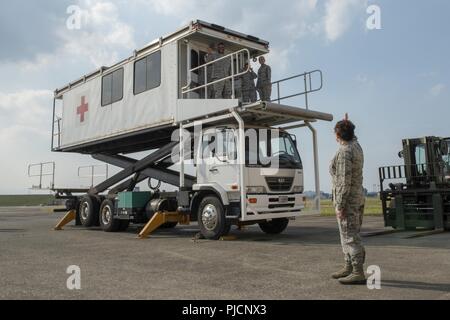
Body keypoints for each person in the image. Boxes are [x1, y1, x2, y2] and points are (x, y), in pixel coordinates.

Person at [329, 114, 366, 285]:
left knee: (350, 236)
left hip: (348, 200)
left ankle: (358, 271)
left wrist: (340, 204)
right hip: (357, 197)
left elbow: (344, 181)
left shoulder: (345, 151)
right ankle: (348, 267)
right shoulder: (356, 146)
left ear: (338, 135)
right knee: (347, 235)